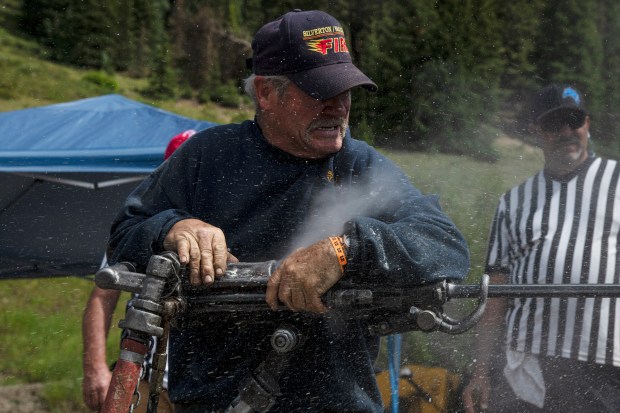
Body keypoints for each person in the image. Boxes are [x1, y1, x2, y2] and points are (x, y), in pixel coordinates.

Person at [107, 9, 470, 413]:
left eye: (345, 89)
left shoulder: (361, 165)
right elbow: (125, 234)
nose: (338, 107)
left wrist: (346, 250)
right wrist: (173, 228)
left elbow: (445, 245)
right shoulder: (207, 157)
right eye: (320, 92)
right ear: (265, 92)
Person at [462, 84, 620, 412]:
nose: (566, 132)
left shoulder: (616, 181)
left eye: (573, 122)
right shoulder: (513, 202)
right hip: (527, 363)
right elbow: (495, 297)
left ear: (587, 124)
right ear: (535, 131)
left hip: (604, 363)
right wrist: (480, 373)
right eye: (553, 125)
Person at [82, 129, 196, 413]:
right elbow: (102, 296)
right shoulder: (143, 229)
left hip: (205, 380)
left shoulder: (231, 218)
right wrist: (95, 367)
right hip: (142, 374)